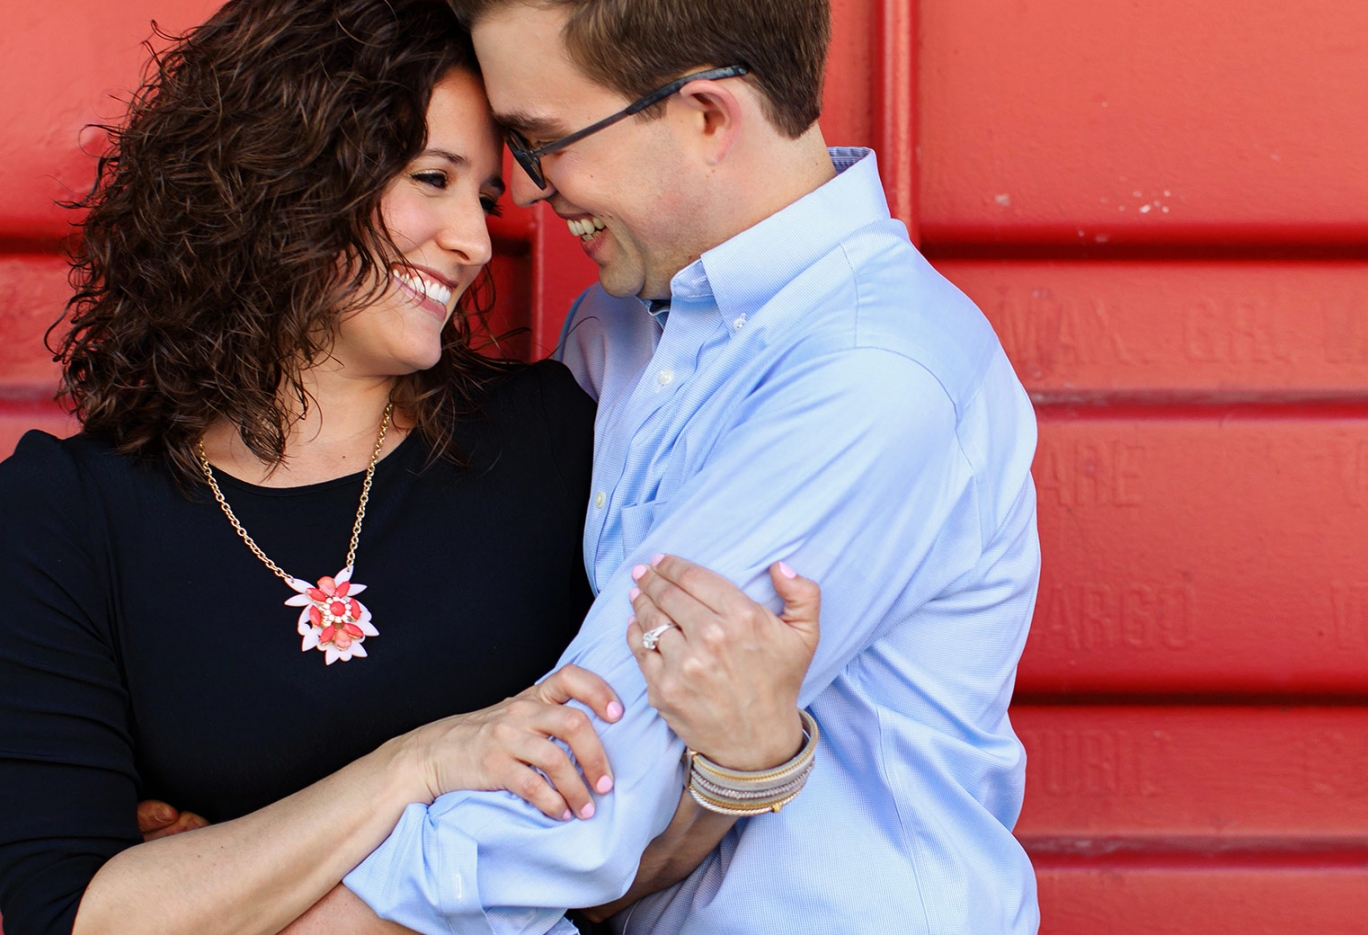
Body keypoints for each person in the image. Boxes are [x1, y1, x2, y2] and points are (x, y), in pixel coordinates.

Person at [0, 2, 819, 934]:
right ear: (285, 170)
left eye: (485, 199)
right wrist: (416, 766)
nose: (474, 241)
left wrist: (747, 762)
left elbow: (610, 864)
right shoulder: (64, 516)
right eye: (433, 178)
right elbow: (73, 915)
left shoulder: (551, 442)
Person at [341, 0, 1043, 932]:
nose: (532, 191)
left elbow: (571, 783)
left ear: (707, 116)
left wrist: (234, 892)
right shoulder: (622, 325)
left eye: (544, 141)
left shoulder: (875, 374)